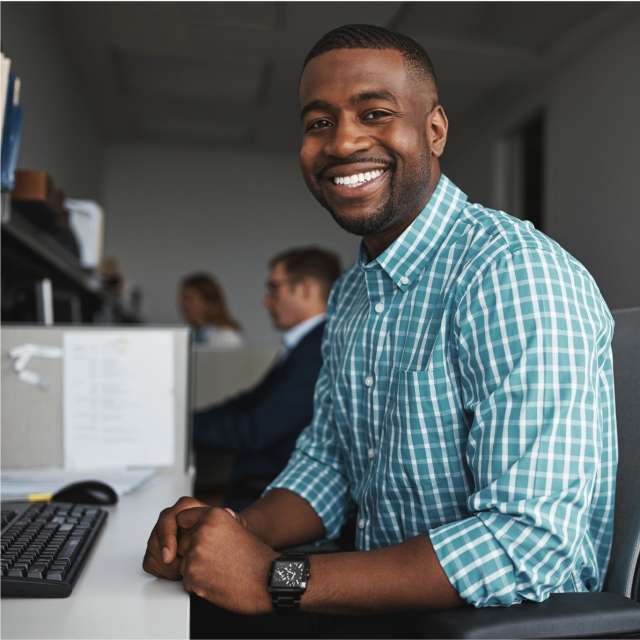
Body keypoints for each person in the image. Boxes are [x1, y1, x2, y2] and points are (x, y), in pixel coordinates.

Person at [144, 24, 616, 622]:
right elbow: (329, 465)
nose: (342, 143)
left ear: (435, 130)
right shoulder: (352, 293)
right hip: (377, 603)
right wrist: (228, 531)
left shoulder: (511, 275)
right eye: (319, 122)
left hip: (488, 624)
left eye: (375, 112)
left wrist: (274, 577)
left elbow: (530, 546)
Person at [193, 247, 342, 510]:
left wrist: (184, 428)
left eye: (274, 288)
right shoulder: (307, 344)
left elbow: (256, 428)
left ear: (306, 288)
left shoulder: (321, 348)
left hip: (274, 495)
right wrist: (185, 422)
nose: (266, 301)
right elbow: (250, 401)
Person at [179, 272, 244, 349]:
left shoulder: (227, 338)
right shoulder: (191, 334)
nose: (183, 304)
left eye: (189, 299)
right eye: (183, 299)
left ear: (208, 302)